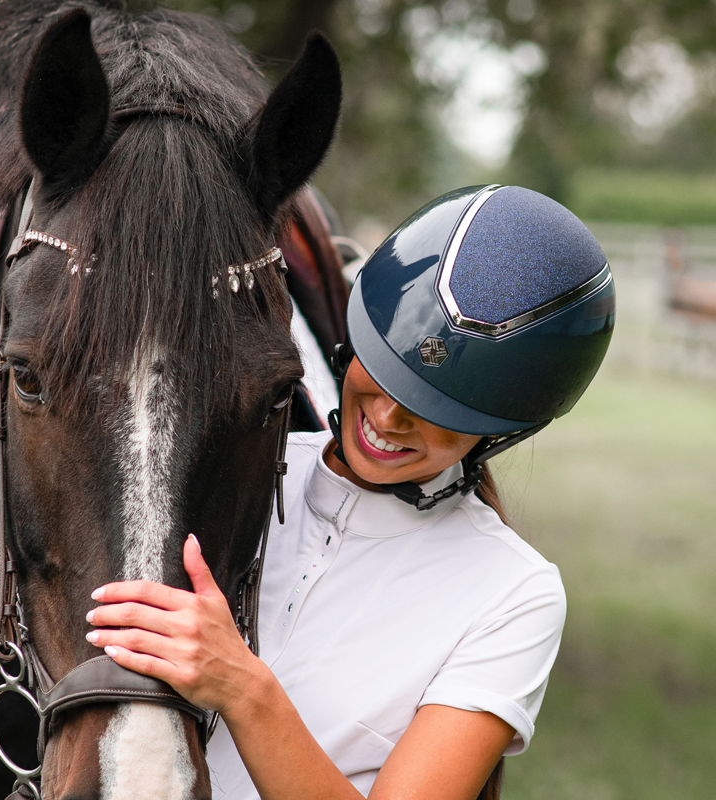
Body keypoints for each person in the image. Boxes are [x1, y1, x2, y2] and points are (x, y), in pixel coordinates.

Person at [83, 184, 616, 799]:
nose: (387, 418)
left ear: (504, 431)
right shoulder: (234, 469)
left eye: (436, 410)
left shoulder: (514, 595)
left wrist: (243, 689)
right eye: (383, 370)